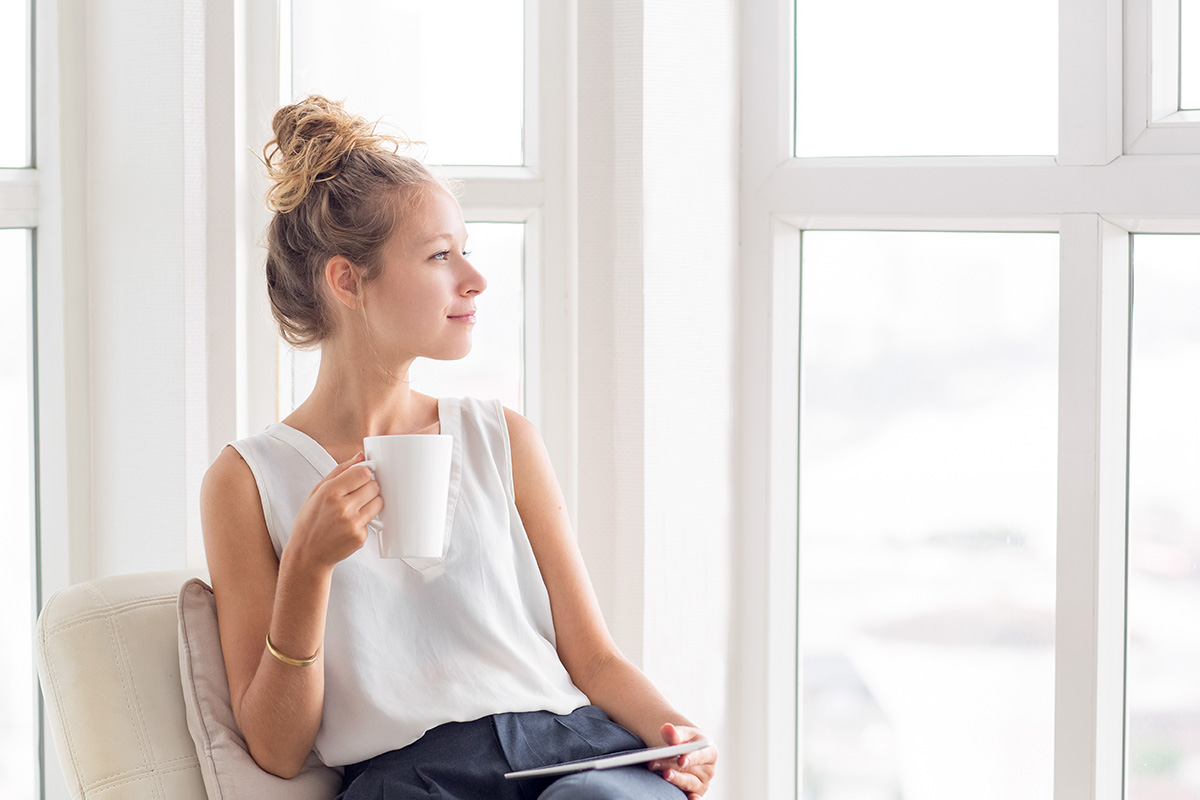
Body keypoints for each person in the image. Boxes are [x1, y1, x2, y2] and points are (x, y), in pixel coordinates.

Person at [200, 95, 717, 800]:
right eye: (441, 256)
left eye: (465, 251)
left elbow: (592, 657)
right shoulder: (248, 480)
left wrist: (673, 732)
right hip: (409, 782)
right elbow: (277, 749)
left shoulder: (501, 436)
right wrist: (307, 569)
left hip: (566, 751)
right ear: (348, 281)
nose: (474, 279)